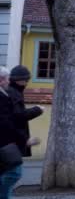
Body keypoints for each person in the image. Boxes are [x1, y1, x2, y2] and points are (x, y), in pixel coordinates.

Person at [0, 66, 26, 199]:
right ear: (1, 80)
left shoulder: (5, 95)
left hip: (7, 143)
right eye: (7, 79)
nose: (9, 82)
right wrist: (24, 140)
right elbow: (8, 122)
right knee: (13, 173)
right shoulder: (4, 97)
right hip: (6, 144)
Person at [7, 65, 44, 159]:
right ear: (18, 80)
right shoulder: (14, 93)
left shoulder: (13, 92)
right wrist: (37, 110)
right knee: (13, 171)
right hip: (12, 144)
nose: (27, 83)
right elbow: (18, 117)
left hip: (11, 143)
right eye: (26, 80)